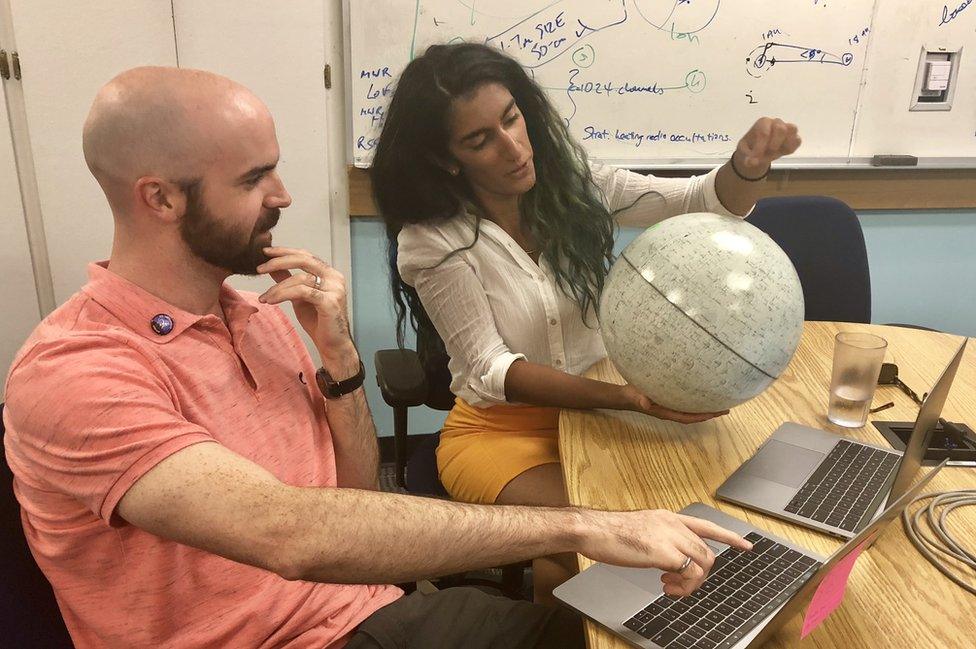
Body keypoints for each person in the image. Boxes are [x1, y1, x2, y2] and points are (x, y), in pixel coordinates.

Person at [2, 67, 753, 649]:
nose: (284, 195)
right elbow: (290, 534)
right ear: (161, 200)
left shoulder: (256, 315)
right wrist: (581, 525)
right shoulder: (76, 371)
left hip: (372, 614)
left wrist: (339, 363)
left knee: (658, 632)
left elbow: (356, 490)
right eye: (253, 178)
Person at [371, 43, 800, 601]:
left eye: (511, 119)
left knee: (709, 501)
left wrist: (746, 167)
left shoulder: (573, 184)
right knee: (608, 531)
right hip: (501, 435)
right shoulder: (433, 240)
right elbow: (492, 368)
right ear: (449, 159)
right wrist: (626, 398)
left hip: (601, 417)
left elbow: (697, 201)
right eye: (481, 140)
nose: (513, 148)